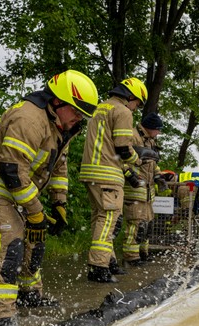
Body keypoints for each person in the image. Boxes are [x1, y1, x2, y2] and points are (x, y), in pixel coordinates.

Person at [0, 69, 98, 326]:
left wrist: (59, 204)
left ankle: (29, 294)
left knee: (35, 241)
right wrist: (36, 211)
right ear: (57, 102)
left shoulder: (62, 127)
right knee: (12, 240)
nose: (79, 118)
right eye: (76, 111)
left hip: (21, 185)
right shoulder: (29, 118)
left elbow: (58, 168)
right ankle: (1, 315)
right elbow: (12, 171)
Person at [80, 77, 148, 283]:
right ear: (131, 96)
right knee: (109, 219)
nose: (136, 108)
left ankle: (109, 261)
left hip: (90, 172)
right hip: (108, 174)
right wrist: (138, 160)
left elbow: (107, 145)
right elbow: (122, 148)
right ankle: (98, 267)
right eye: (138, 104)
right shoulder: (123, 111)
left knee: (100, 219)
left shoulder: (100, 108)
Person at [122, 112, 165, 266]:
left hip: (148, 191)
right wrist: (129, 174)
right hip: (135, 188)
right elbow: (121, 158)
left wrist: (158, 176)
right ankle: (131, 257)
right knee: (136, 224)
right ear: (150, 128)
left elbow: (153, 163)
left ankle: (143, 253)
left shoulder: (150, 140)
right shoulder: (132, 136)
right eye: (158, 130)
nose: (158, 133)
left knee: (147, 225)